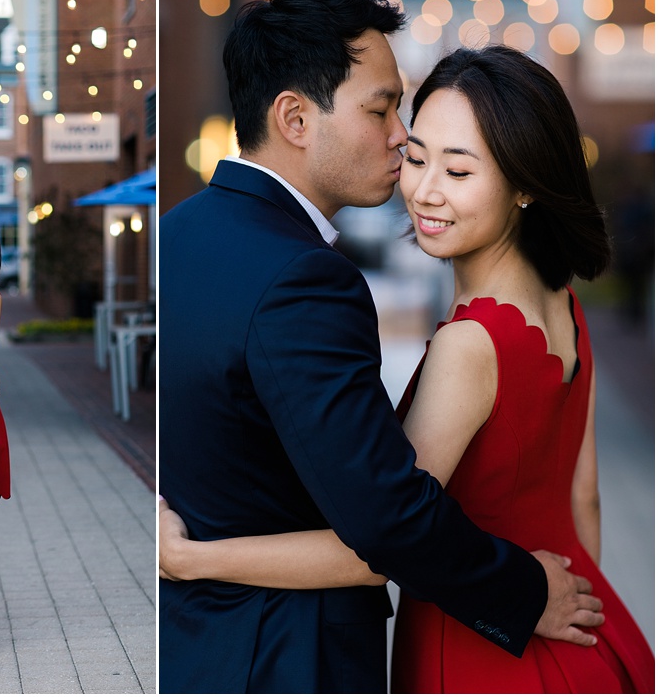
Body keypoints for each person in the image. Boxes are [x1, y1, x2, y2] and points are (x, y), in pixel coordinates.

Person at [159, 46, 656, 692]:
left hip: (486, 653)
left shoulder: (470, 345)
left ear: (526, 184)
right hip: (587, 633)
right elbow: (581, 497)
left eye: (458, 170)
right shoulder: (562, 298)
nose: (424, 190)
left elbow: (376, 546)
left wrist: (189, 556)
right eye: (417, 158)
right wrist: (578, 605)